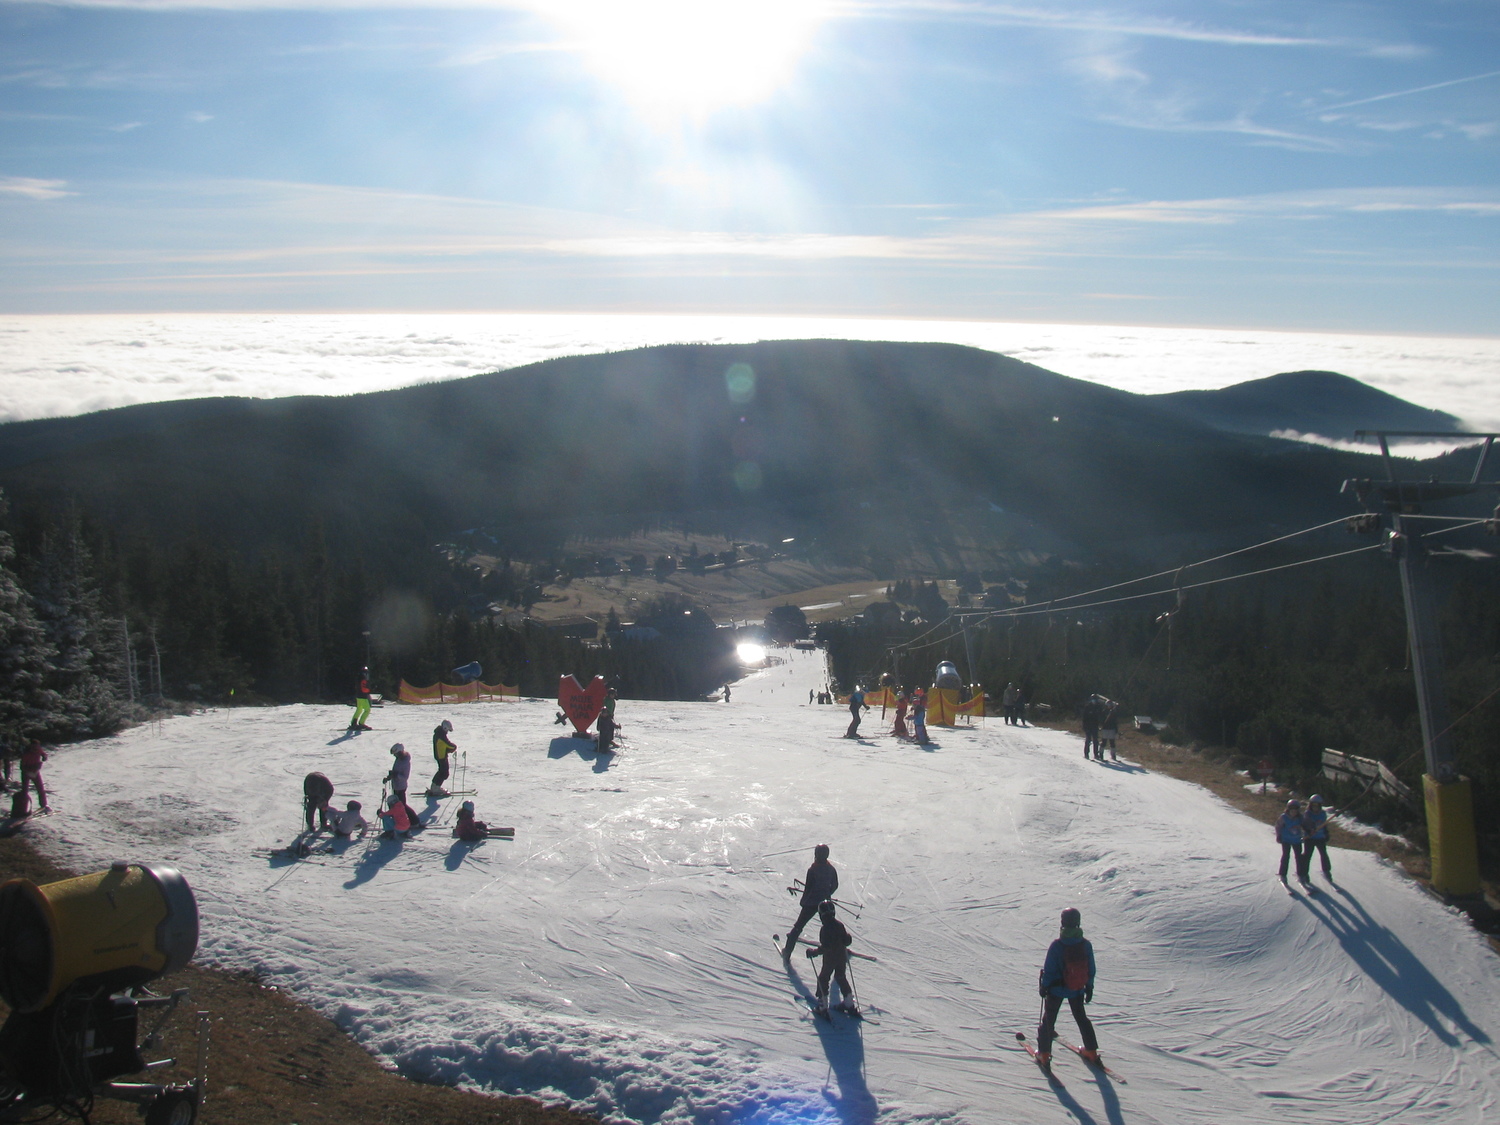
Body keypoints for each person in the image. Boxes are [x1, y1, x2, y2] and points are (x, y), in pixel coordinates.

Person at [1035, 907, 1099, 1069]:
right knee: (1081, 1018)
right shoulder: (1085, 945)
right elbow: (1091, 968)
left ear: (1063, 923)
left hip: (1056, 990)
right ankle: (1091, 1051)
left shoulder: (1057, 945)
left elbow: (1049, 970)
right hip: (1077, 988)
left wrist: (1044, 986)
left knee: (1049, 1020)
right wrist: (1089, 986)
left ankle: (1044, 1054)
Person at [782, 843, 839, 957]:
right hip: (825, 903)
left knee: (798, 926)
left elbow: (808, 888)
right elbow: (835, 885)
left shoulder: (813, 870)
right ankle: (839, 947)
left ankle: (787, 951)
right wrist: (827, 894)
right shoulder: (831, 869)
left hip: (811, 903)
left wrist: (803, 902)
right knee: (831, 926)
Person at [807, 900, 857, 1016]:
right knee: (840, 977)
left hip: (830, 959)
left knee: (823, 979)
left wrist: (814, 952)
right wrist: (847, 939)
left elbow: (826, 947)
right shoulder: (839, 925)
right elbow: (845, 940)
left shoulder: (825, 929)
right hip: (841, 957)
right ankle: (849, 1003)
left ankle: (823, 1006)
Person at [384, 743, 420, 825]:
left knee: (402, 806)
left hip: (401, 787)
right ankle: (400, 820)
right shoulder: (398, 759)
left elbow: (405, 777)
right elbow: (395, 772)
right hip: (396, 786)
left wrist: (396, 775)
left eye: (396, 754)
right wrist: (389, 777)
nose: (395, 756)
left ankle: (414, 821)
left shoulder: (405, 762)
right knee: (397, 805)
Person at [1275, 798, 1309, 884]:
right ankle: (1283, 874)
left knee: (1299, 857)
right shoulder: (1284, 817)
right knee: (1286, 856)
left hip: (1296, 840)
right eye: (1292, 810)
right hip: (1286, 840)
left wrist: (1308, 831)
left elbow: (1305, 825)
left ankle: (1300, 874)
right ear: (1288, 809)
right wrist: (1279, 835)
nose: (1293, 812)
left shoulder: (1300, 818)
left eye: (1295, 810)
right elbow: (1278, 826)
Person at [1302, 794, 1332, 881]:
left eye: (1317, 805)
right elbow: (1304, 825)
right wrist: (1309, 830)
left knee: (1323, 854)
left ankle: (1326, 870)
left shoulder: (1322, 814)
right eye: (1313, 805)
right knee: (1307, 855)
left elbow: (1324, 825)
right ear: (1310, 805)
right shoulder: (1307, 814)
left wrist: (1326, 833)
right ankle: (1304, 873)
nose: (1315, 807)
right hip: (1310, 838)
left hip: (1320, 837)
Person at [17, 741, 48, 814]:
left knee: (40, 788)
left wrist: (44, 756)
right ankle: (22, 808)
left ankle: (43, 805)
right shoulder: (27, 753)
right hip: (26, 772)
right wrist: (28, 770)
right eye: (34, 746)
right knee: (25, 790)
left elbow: (43, 753)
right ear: (31, 746)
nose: (36, 748)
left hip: (35, 772)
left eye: (37, 746)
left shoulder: (38, 750)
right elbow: (22, 766)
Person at [430, 719, 456, 796]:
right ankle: (436, 788)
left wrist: (447, 749)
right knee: (444, 773)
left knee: (441, 771)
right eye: (447, 730)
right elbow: (449, 745)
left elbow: (443, 745)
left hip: (440, 755)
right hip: (441, 756)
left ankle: (434, 786)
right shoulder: (441, 735)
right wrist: (453, 747)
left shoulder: (439, 733)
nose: (447, 732)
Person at [348, 667, 373, 732]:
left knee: (359, 709)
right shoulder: (363, 679)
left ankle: (353, 722)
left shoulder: (359, 677)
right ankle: (361, 723)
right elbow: (364, 688)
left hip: (358, 695)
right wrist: (368, 690)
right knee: (367, 710)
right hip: (363, 696)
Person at [1081, 695, 1102, 760]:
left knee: (1096, 741)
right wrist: (1084, 727)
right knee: (1088, 740)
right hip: (1088, 726)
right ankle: (1086, 754)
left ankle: (1096, 754)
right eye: (1093, 699)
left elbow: (1101, 715)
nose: (1094, 701)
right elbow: (1084, 718)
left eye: (1095, 699)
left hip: (1095, 726)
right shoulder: (1087, 707)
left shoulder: (1098, 707)